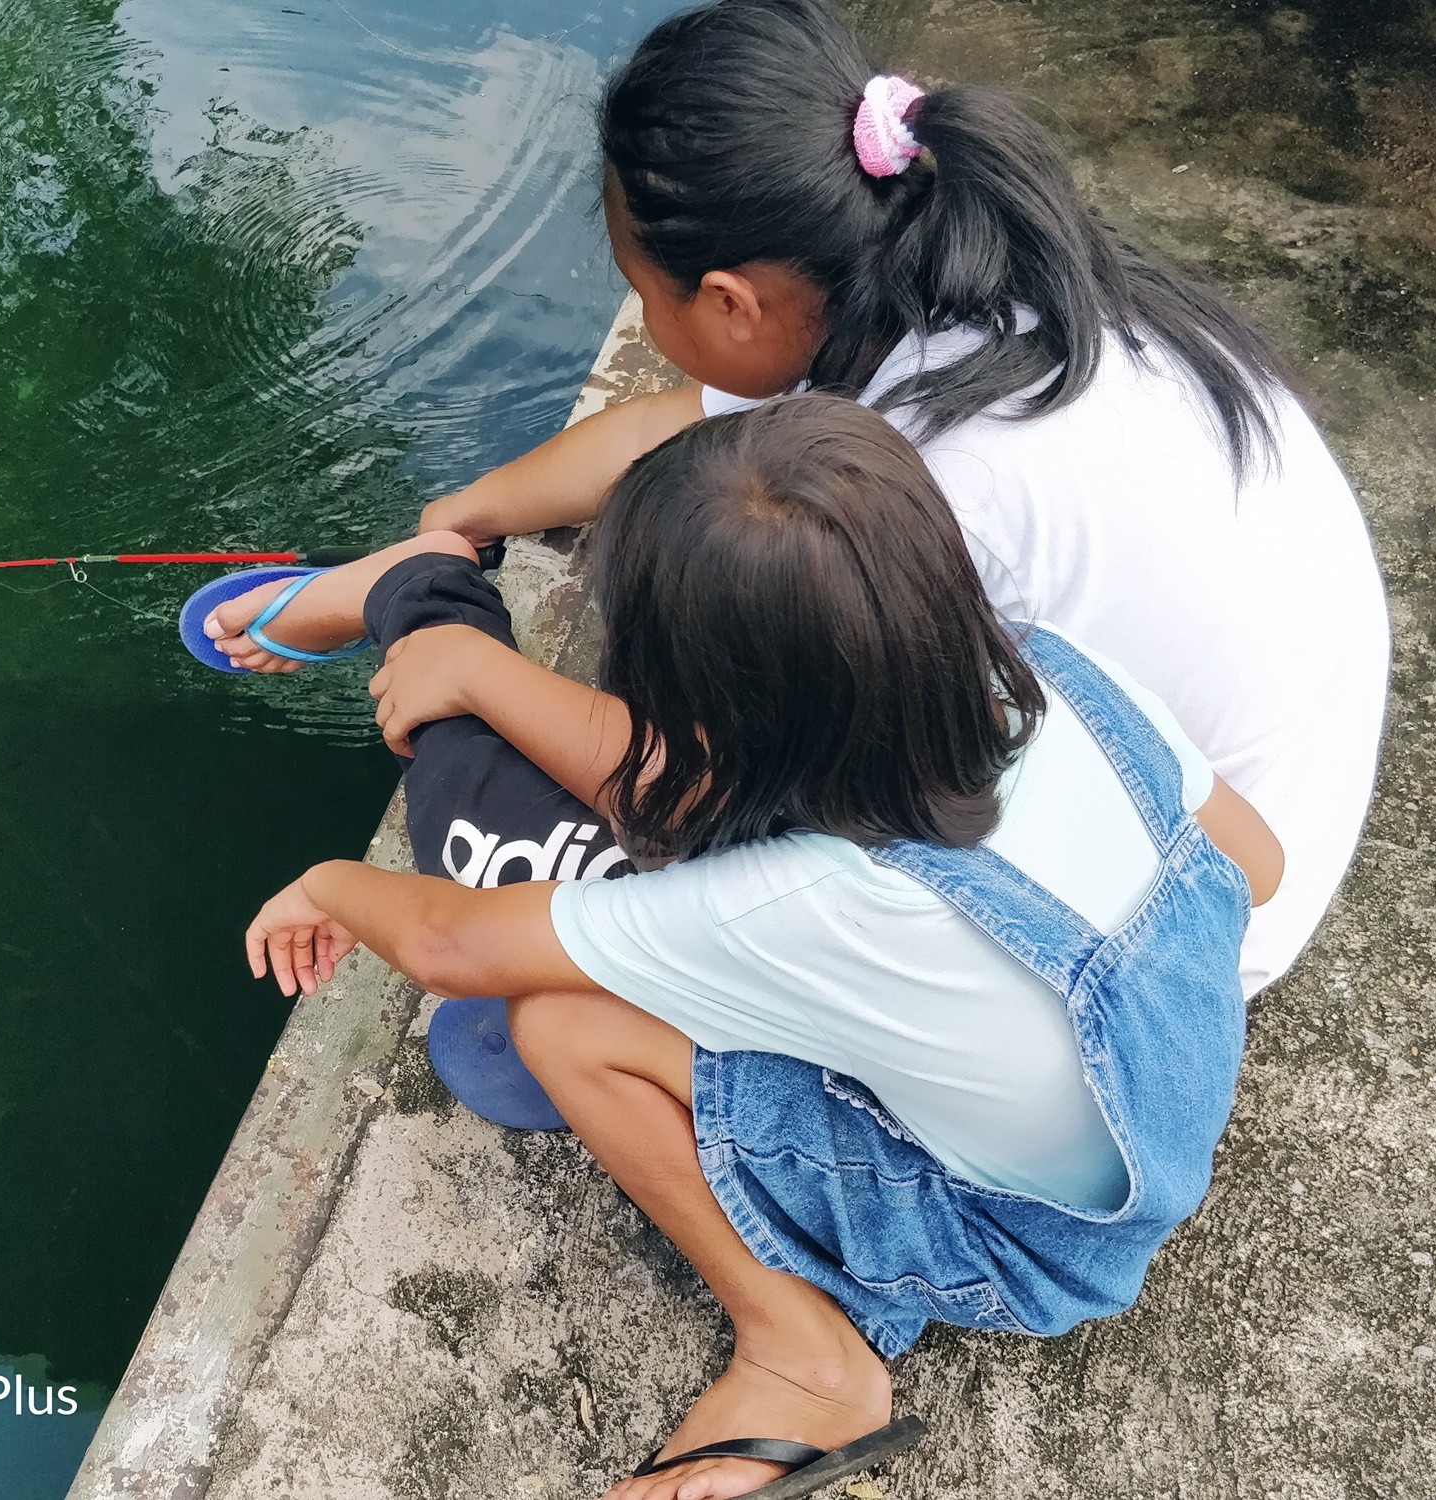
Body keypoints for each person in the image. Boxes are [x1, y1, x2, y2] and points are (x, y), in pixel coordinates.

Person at [214, 0, 1386, 997]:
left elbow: (706, 790)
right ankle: (417, 584)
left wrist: (476, 672)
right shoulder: (952, 272)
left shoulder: (912, 496)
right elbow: (680, 420)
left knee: (568, 877)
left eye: (644, 293)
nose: (651, 323)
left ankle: (425, 612)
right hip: (1252, 813)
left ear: (731, 302)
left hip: (1165, 947)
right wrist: (466, 515)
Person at [244, 399, 1282, 1500]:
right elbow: (1252, 867)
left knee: (563, 1023)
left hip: (1021, 1243)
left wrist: (327, 885)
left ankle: (806, 1361)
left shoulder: (806, 901)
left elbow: (450, 944)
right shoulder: (1064, 677)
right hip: (1166, 1100)